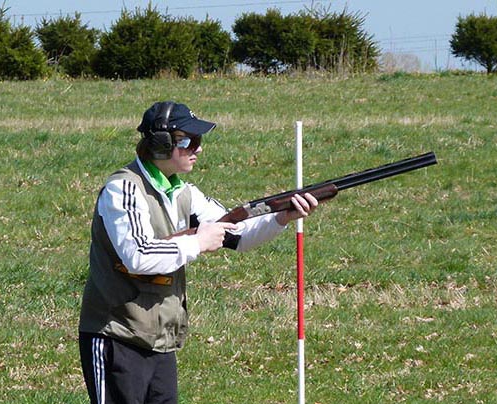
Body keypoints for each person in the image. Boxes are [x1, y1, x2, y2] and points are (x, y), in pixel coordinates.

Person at [78, 101, 320, 404]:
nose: (198, 148)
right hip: (117, 335)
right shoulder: (123, 189)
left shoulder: (184, 193)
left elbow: (238, 235)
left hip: (160, 340)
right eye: (189, 141)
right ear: (161, 144)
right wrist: (197, 242)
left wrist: (282, 217)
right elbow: (137, 254)